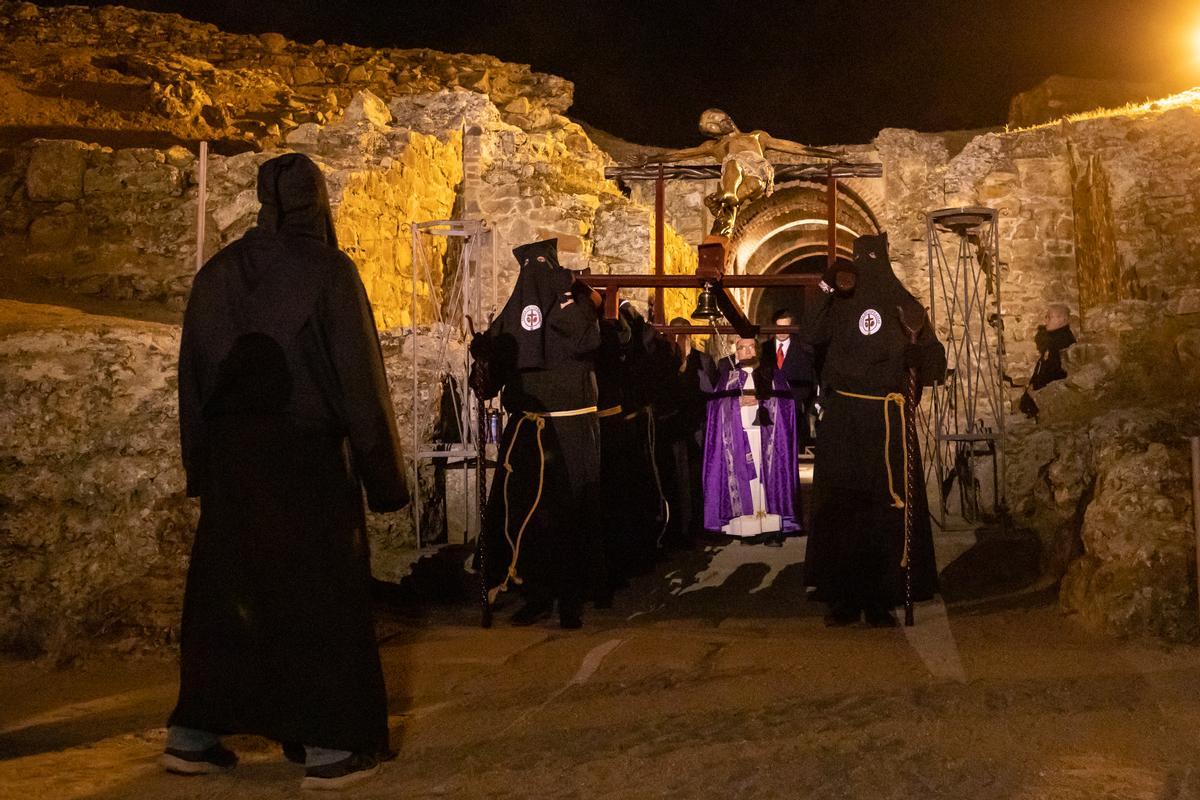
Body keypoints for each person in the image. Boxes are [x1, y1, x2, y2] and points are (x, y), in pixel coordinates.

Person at [167, 153, 408, 790]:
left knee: (228, 600)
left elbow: (191, 380)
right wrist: (387, 482)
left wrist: (201, 468)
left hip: (232, 465)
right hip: (307, 466)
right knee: (316, 602)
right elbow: (360, 384)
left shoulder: (215, 274)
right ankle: (329, 747)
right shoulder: (328, 273)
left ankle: (193, 735)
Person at [802, 232, 946, 628]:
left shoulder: (905, 306)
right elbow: (810, 334)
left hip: (888, 420)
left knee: (885, 511)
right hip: (845, 420)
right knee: (842, 511)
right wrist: (826, 284)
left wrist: (919, 356)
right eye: (859, 260)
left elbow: (935, 361)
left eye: (872, 258)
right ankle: (843, 597)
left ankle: (882, 596)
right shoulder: (838, 302)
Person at [470, 239, 601, 629]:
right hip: (527, 433)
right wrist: (483, 358)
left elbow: (588, 341)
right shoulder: (514, 313)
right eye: (531, 272)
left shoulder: (574, 309)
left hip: (570, 434)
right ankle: (535, 594)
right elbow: (490, 380)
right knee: (526, 520)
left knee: (568, 518)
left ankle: (571, 599)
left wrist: (565, 300)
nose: (536, 281)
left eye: (543, 270)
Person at [636, 109, 841, 236]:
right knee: (734, 162)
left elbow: (791, 147)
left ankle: (722, 199)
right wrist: (649, 160)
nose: (715, 124)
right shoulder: (715, 146)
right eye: (710, 125)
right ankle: (726, 197)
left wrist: (828, 154)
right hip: (732, 173)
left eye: (715, 118)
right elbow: (682, 155)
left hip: (756, 171)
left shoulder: (757, 137)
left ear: (726, 117)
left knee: (756, 185)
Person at [700, 337, 800, 539]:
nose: (746, 351)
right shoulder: (728, 377)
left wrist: (763, 398)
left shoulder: (773, 374)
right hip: (739, 436)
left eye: (751, 347)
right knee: (744, 478)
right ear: (736, 352)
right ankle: (746, 529)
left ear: (757, 350)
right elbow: (715, 407)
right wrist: (736, 401)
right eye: (741, 348)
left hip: (768, 438)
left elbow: (787, 404)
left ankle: (771, 529)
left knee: (767, 480)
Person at [760, 307, 816, 447]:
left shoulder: (804, 350)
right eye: (778, 327)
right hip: (767, 412)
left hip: (794, 412)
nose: (782, 331)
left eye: (786, 327)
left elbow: (810, 382)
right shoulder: (763, 349)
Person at [1019, 303, 1075, 419]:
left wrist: (1036, 390)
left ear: (1062, 319)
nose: (1046, 321)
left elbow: (1056, 372)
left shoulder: (1063, 341)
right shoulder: (1053, 339)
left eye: (1049, 317)